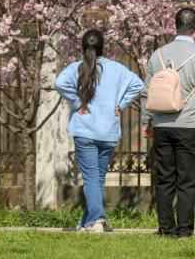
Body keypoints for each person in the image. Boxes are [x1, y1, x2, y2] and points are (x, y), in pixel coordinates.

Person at [55, 29, 144, 232]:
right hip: (109, 131)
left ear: (83, 47)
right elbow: (138, 85)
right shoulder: (117, 69)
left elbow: (59, 83)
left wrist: (78, 103)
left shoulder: (76, 67)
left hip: (85, 130)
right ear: (103, 47)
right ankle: (88, 222)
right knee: (97, 178)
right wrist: (120, 105)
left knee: (91, 178)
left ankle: (96, 220)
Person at [142, 7, 195, 238]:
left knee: (164, 178)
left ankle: (166, 228)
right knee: (187, 179)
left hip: (162, 124)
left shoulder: (158, 55)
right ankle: (184, 229)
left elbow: (147, 91)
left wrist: (147, 122)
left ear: (175, 25)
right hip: (189, 123)